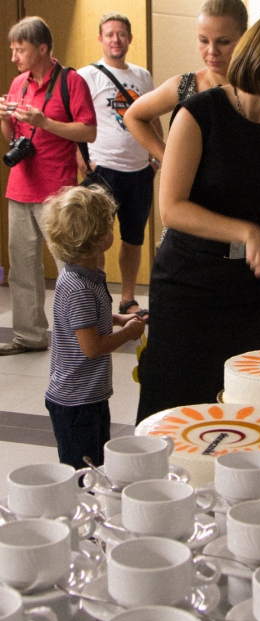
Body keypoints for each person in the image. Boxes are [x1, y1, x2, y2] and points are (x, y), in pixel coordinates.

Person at [136, 3, 260, 423]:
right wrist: (245, 231)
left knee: (252, 409)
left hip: (251, 292)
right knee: (181, 411)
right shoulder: (200, 113)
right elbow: (172, 209)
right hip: (190, 285)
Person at [0, 16, 97, 356]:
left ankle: (81, 334)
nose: (14, 57)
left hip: (58, 193)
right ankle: (30, 336)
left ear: (42, 48)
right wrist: (3, 120)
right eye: (12, 50)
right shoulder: (18, 84)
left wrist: (45, 122)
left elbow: (88, 131)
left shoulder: (71, 82)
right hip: (19, 188)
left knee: (70, 267)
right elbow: (13, 138)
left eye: (20, 49)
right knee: (23, 268)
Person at [42, 185, 146, 468]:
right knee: (84, 470)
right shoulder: (79, 287)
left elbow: (88, 318)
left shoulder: (86, 275)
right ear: (98, 238)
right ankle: (82, 507)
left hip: (90, 395)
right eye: (110, 226)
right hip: (76, 402)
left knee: (97, 462)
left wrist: (119, 318)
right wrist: (128, 334)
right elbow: (91, 347)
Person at [77, 12, 156, 317]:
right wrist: (82, 159)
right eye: (109, 34)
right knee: (96, 239)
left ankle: (128, 298)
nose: (115, 39)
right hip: (103, 171)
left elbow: (151, 118)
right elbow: (77, 121)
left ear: (130, 39)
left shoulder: (143, 76)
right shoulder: (87, 75)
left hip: (139, 172)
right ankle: (99, 299)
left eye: (121, 34)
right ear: (100, 39)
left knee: (133, 238)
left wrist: (156, 160)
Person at [124, 0, 248, 161]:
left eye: (223, 42)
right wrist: (170, 161)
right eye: (204, 40)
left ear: (245, 38)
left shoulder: (258, 88)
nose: (212, 51)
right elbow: (133, 116)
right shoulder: (187, 85)